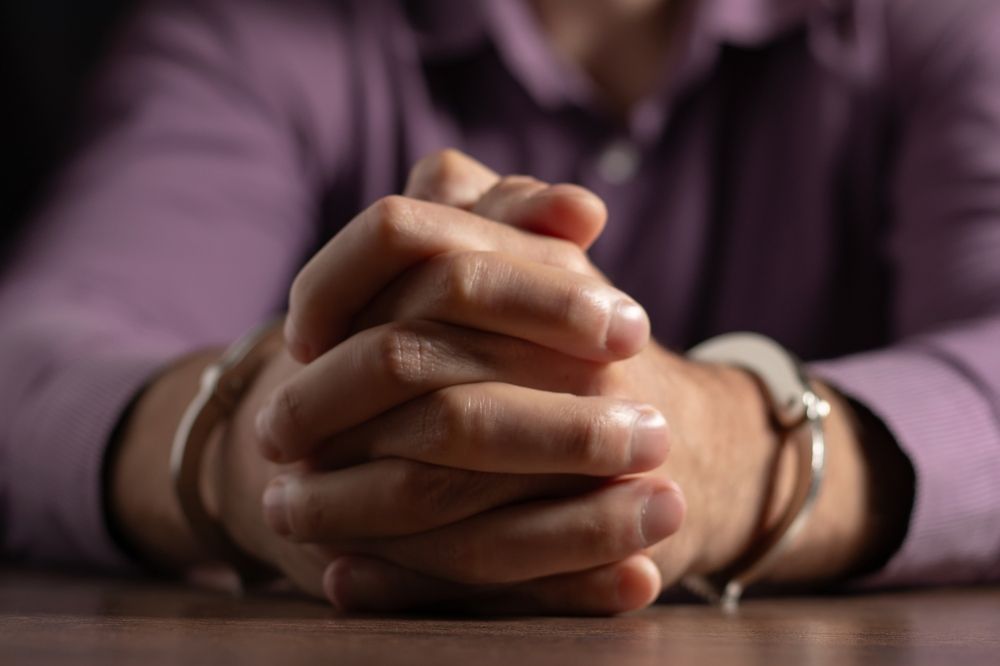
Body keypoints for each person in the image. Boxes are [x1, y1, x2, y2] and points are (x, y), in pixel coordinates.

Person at [1, 0, 997, 614]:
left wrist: (735, 451)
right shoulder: (250, 30)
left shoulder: (942, 21)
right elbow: (30, 362)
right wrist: (264, 447)